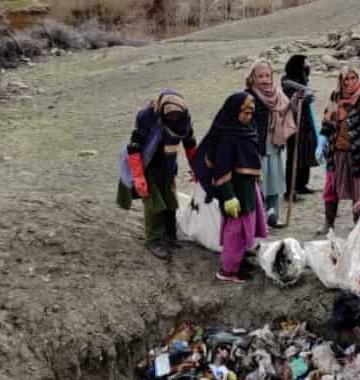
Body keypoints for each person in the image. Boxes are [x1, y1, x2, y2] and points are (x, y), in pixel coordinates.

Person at [190, 93, 268, 283]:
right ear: (234, 111)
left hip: (248, 189)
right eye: (245, 113)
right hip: (235, 193)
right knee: (235, 231)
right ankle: (228, 270)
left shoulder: (246, 130)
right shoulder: (227, 136)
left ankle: (238, 260)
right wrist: (228, 196)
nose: (249, 118)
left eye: (252, 113)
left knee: (244, 227)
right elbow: (221, 170)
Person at [116, 90, 197, 260]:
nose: (174, 119)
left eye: (178, 116)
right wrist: (138, 177)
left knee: (170, 201)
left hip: (168, 166)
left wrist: (196, 168)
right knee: (154, 204)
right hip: (148, 166)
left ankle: (170, 237)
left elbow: (190, 144)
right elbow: (135, 148)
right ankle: (154, 240)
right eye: (171, 116)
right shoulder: (148, 119)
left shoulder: (185, 119)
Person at [319, 66, 360, 235]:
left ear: (359, 78)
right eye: (346, 79)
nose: (349, 83)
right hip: (336, 153)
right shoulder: (335, 98)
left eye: (353, 78)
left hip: (357, 154)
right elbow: (327, 124)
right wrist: (321, 142)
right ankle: (329, 223)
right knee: (330, 188)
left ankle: (358, 224)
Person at [245, 59, 298, 228]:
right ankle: (260, 219)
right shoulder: (248, 96)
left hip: (274, 146)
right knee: (259, 185)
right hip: (256, 149)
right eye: (260, 76)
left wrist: (295, 103)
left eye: (267, 75)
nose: (264, 79)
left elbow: (285, 112)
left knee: (275, 182)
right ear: (252, 77)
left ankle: (273, 216)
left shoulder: (278, 93)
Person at [281, 55, 318, 196]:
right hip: (294, 123)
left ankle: (302, 184)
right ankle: (291, 188)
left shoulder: (302, 77)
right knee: (293, 156)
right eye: (304, 63)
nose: (306, 65)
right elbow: (292, 102)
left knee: (306, 153)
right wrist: (302, 98)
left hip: (306, 122)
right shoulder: (287, 81)